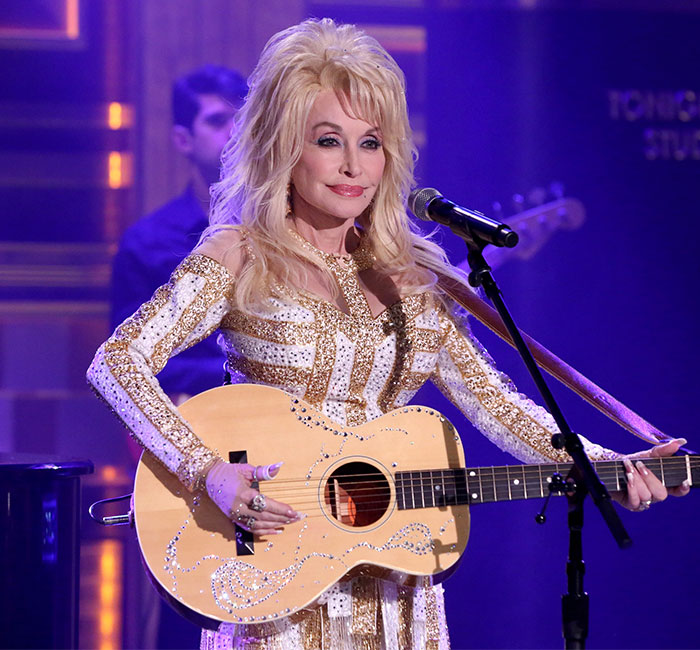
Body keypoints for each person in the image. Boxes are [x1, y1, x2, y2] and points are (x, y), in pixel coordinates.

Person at [87, 18, 689, 650]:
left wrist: (602, 465)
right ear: (284, 144)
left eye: (370, 142)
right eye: (328, 140)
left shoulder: (411, 276)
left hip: (397, 586)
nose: (353, 166)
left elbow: (496, 402)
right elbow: (117, 363)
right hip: (271, 576)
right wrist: (208, 471)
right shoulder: (241, 254)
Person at [110, 64, 248, 403]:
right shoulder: (147, 242)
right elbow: (127, 354)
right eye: (217, 122)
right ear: (183, 140)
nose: (235, 133)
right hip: (195, 411)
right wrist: (239, 371)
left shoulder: (286, 227)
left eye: (242, 120)